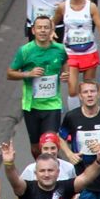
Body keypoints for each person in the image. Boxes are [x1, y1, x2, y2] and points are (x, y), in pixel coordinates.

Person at [10, 15, 70, 157]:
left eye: (46, 27)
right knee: (36, 147)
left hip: (52, 105)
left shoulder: (60, 49)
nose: (43, 31)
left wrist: (65, 74)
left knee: (50, 143)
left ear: (51, 30)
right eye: (39, 27)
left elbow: (65, 64)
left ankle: (53, 170)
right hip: (31, 106)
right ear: (33, 30)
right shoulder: (25, 51)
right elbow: (10, 73)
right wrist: (28, 74)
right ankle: (41, 170)